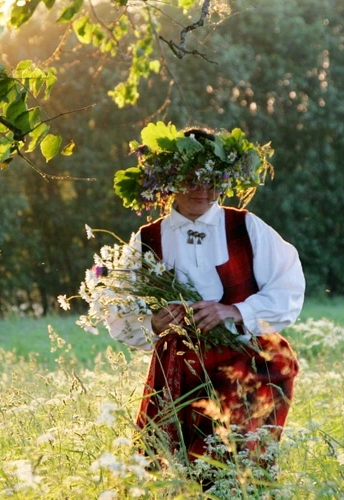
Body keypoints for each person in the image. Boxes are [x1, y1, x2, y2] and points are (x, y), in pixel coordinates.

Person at [106, 124, 305, 479]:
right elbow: (117, 308)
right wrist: (152, 323)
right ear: (170, 180)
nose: (203, 189)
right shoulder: (147, 239)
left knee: (236, 470)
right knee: (178, 474)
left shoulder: (247, 227)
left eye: (212, 179)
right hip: (180, 372)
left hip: (244, 362)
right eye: (192, 179)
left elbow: (288, 287)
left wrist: (235, 311)